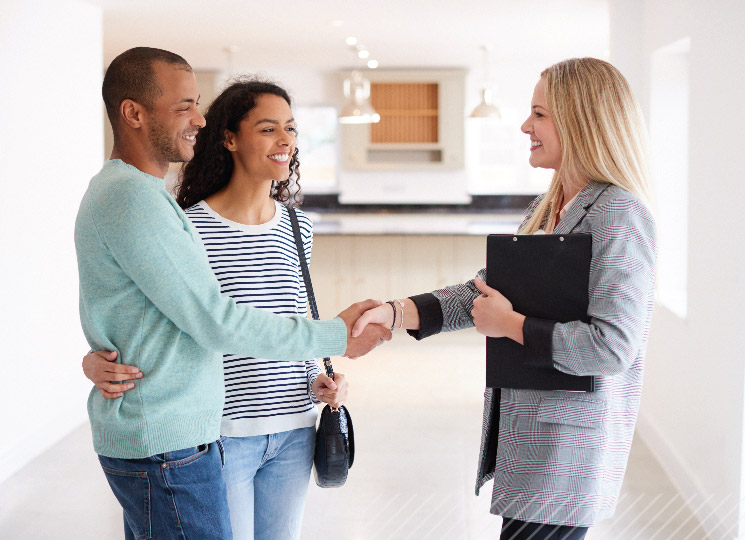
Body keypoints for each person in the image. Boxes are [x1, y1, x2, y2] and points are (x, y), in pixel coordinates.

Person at [75, 47, 389, 540]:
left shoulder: (283, 224)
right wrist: (334, 335)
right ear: (133, 113)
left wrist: (323, 371)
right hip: (210, 432)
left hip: (284, 422)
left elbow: (154, 311)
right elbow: (212, 319)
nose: (197, 119)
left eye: (291, 128)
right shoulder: (153, 206)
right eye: (184, 106)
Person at [352, 57, 657, 540]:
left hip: (567, 452)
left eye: (539, 114)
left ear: (580, 119)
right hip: (532, 442)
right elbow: (485, 292)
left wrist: (512, 325)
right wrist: (397, 312)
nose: (524, 126)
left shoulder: (619, 212)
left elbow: (613, 347)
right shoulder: (551, 205)